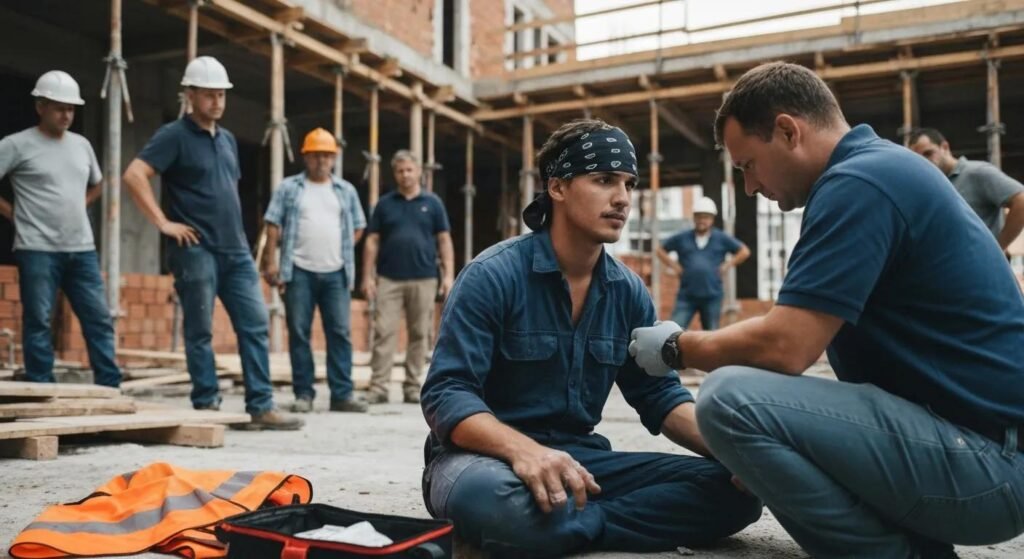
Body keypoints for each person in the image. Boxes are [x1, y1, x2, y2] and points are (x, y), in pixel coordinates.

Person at [630, 62, 1024, 559]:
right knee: (764, 414)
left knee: (730, 400)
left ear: (787, 131)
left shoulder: (860, 182)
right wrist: (777, 454)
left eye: (748, 165)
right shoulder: (878, 170)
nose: (749, 187)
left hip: (990, 464)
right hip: (978, 449)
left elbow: (786, 345)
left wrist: (676, 347)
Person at [420, 119, 761, 557]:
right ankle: (553, 522)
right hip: (481, 461)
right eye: (603, 180)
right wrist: (524, 451)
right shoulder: (492, 275)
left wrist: (733, 454)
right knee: (495, 502)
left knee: (739, 491)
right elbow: (447, 393)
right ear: (557, 187)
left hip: (581, 460)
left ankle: (564, 525)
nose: (622, 198)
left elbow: (658, 394)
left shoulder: (627, 290)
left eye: (628, 184)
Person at [123, 56, 302, 430]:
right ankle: (206, 404)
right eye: (209, 95)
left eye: (221, 95)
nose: (217, 102)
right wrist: (163, 223)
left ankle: (261, 406)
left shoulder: (228, 140)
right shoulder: (174, 135)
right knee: (200, 328)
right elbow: (135, 174)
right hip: (196, 248)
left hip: (235, 250)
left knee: (255, 324)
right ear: (190, 95)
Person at [0, 70, 121, 387]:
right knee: (39, 320)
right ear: (40, 107)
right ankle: (42, 387)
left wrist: (80, 204)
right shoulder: (16, 144)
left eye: (71, 109)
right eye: (59, 108)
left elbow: (99, 183)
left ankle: (110, 386)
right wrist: (13, 213)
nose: (67, 115)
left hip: (82, 249)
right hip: (36, 248)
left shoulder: (81, 145)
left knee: (98, 318)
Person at [262, 128, 368, 414]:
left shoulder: (345, 191)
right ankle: (304, 393)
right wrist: (271, 262)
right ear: (305, 157)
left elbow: (359, 226)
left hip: (336, 273)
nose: (321, 160)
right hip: (298, 271)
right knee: (299, 333)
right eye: (316, 155)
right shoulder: (289, 188)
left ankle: (342, 394)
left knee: (340, 333)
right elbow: (272, 224)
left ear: (334, 158)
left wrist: (340, 247)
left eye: (327, 155)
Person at [361, 150, 453, 404]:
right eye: (400, 171)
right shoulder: (384, 204)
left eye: (409, 170)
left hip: (424, 278)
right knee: (384, 332)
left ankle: (412, 386)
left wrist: (448, 275)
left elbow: (444, 240)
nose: (405, 175)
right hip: (388, 279)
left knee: (420, 334)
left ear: (419, 171)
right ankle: (379, 387)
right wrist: (367, 276)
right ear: (395, 174)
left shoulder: (433, 203)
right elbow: (372, 241)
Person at [909, 127, 1024, 252]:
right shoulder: (931, 185)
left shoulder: (976, 173)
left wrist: (998, 249)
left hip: (980, 261)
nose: (924, 161)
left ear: (945, 147)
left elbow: (1021, 201)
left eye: (928, 153)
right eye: (918, 159)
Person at [657, 196, 749, 330]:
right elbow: (660, 250)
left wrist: (727, 265)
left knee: (711, 334)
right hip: (686, 295)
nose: (702, 220)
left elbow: (744, 251)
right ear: (694, 218)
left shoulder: (721, 238)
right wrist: (675, 266)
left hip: (712, 295)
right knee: (674, 330)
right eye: (699, 217)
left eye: (706, 217)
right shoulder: (682, 237)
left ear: (712, 219)